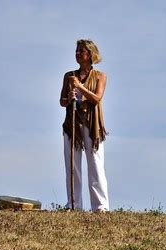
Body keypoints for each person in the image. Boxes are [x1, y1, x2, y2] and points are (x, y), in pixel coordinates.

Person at [59, 39, 109, 212]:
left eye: (81, 51)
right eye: (77, 51)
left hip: (92, 124)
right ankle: (73, 205)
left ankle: (100, 207)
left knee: (95, 165)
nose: (78, 54)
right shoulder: (69, 76)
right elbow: (62, 102)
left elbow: (97, 98)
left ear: (90, 55)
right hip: (72, 124)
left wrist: (80, 88)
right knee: (72, 167)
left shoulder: (100, 76)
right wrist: (70, 97)